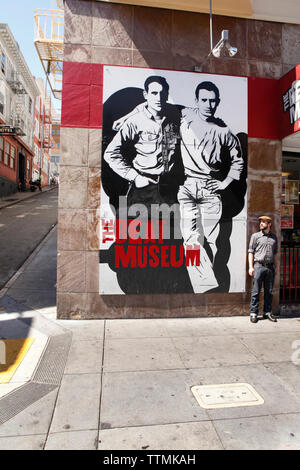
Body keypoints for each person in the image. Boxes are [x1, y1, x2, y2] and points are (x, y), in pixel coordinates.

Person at [178, 81, 244, 288]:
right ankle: (203, 286)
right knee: (189, 239)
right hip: (188, 186)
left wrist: (225, 183)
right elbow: (155, 105)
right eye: (204, 100)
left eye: (212, 100)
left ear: (218, 102)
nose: (208, 104)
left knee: (214, 240)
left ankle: (215, 282)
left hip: (209, 187)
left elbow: (238, 159)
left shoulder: (223, 130)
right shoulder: (186, 115)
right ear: (196, 101)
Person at [103, 75, 183, 210]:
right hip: (144, 187)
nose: (159, 97)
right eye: (154, 93)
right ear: (145, 94)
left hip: (170, 187)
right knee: (140, 230)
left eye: (162, 93)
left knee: (169, 229)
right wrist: (135, 177)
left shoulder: (176, 116)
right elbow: (110, 153)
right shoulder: (135, 121)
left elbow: (200, 112)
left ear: (167, 94)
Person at [248, 215, 278, 323]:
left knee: (269, 292)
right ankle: (253, 313)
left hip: (270, 267)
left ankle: (267, 312)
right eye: (260, 221)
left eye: (264, 222)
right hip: (258, 266)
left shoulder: (274, 237)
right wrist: (251, 267)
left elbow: (275, 253)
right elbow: (250, 252)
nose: (261, 223)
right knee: (256, 291)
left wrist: (276, 266)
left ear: (269, 224)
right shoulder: (255, 236)